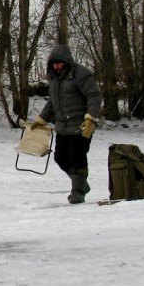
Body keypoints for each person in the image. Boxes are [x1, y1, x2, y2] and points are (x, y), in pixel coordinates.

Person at [30, 44, 102, 204]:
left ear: (67, 62)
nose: (56, 66)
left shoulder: (81, 75)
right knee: (60, 157)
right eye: (54, 64)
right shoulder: (54, 79)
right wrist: (41, 119)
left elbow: (94, 96)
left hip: (81, 126)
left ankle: (77, 192)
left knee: (77, 158)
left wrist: (91, 118)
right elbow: (52, 102)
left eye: (59, 63)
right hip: (62, 127)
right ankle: (81, 184)